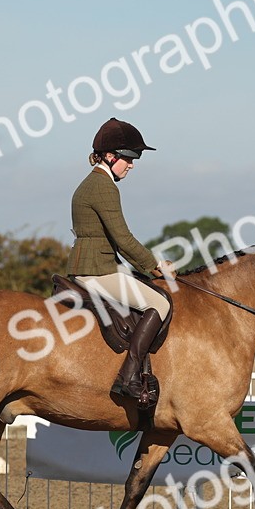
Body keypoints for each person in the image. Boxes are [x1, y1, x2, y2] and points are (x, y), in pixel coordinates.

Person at [67, 117, 174, 406]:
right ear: (110, 156)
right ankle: (128, 376)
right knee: (160, 303)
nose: (133, 164)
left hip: (96, 265)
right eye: (129, 157)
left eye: (135, 158)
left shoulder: (93, 183)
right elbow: (123, 238)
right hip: (96, 271)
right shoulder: (103, 186)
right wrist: (155, 266)